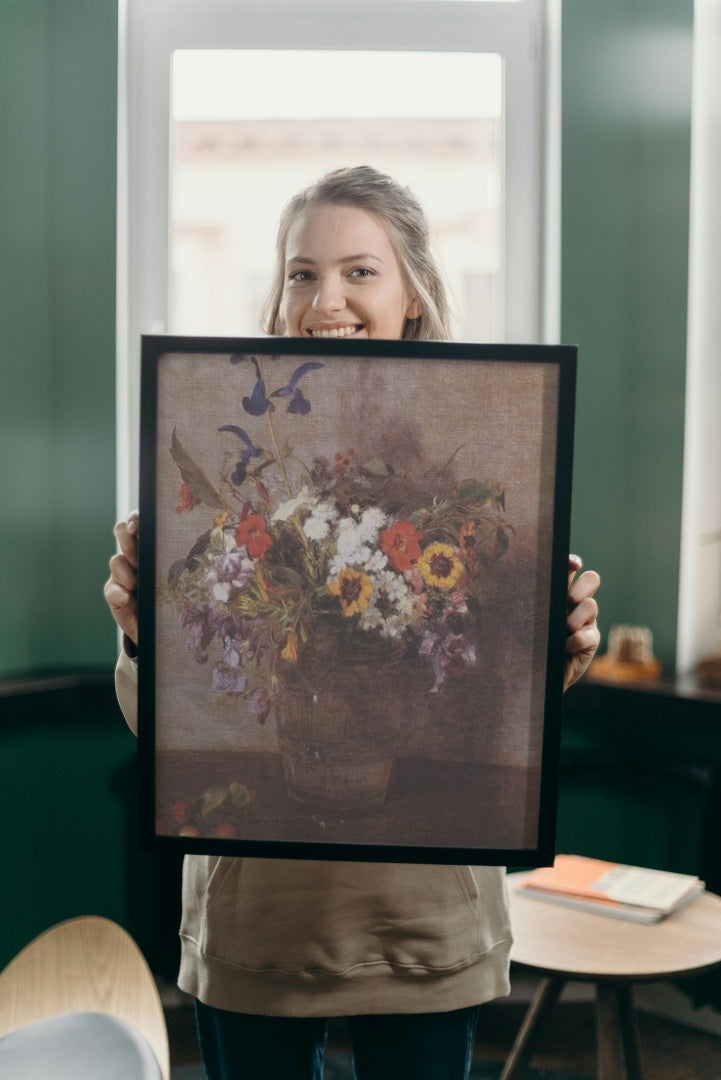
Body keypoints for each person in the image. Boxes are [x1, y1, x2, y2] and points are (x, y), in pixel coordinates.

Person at [105, 166, 601, 1080]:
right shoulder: (228, 462)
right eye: (301, 272)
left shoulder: (490, 462)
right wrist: (144, 637)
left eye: (358, 271)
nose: (323, 298)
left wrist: (559, 646)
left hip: (423, 918)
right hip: (259, 917)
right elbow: (169, 723)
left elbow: (494, 702)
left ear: (412, 292)